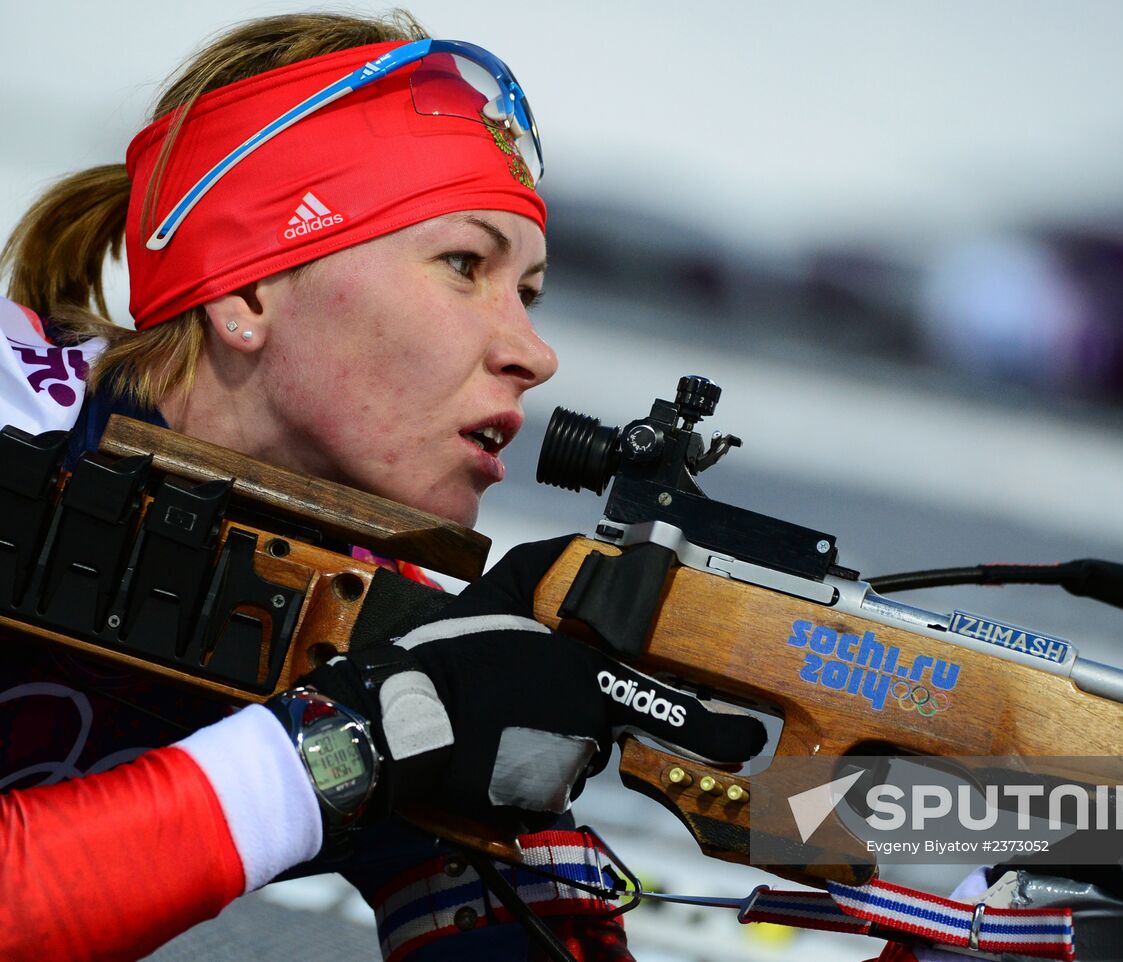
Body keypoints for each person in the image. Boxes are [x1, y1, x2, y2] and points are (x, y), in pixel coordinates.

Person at [0, 11, 764, 961]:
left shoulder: (366, 617)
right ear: (246, 292)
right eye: (464, 265)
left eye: (527, 293)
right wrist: (344, 746)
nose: (534, 353)